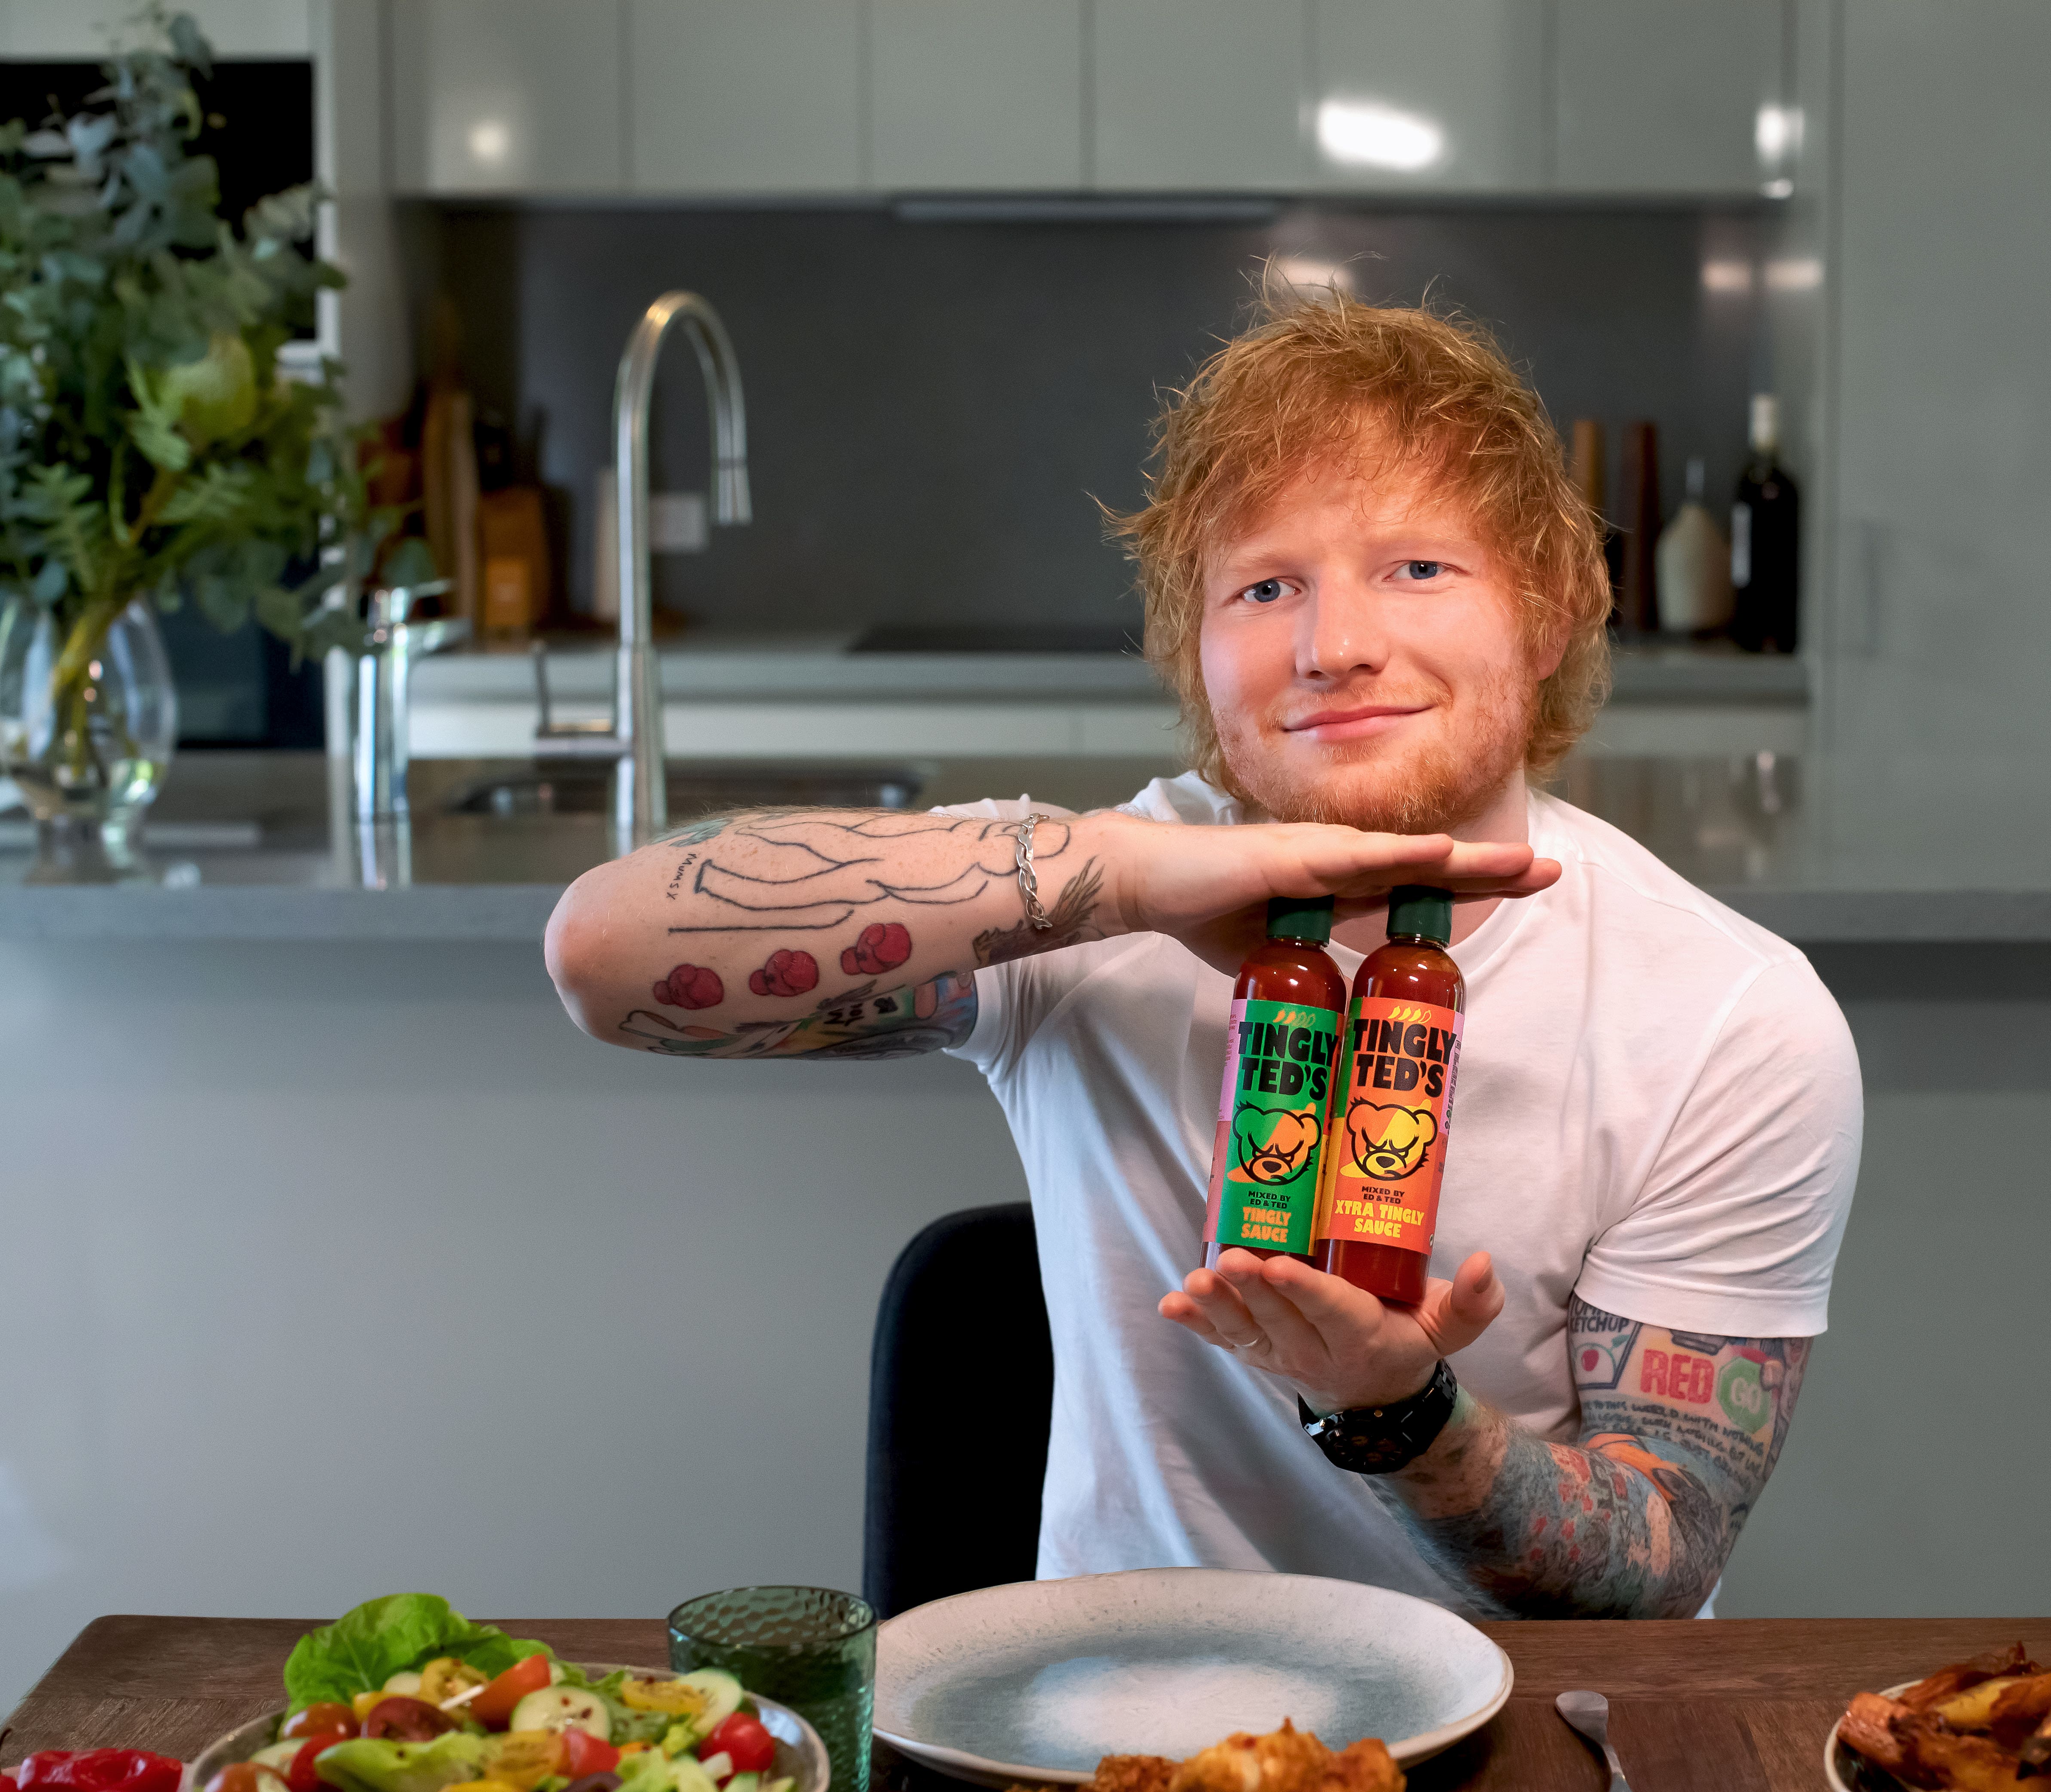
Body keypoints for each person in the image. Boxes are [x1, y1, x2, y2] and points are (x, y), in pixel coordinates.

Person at [545, 292, 1862, 1618]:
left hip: (1513, 1755)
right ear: (1197, 649)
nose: (1335, 645)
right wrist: (1125, 879)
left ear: (1554, 609)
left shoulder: (1727, 1017)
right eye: (1266, 586)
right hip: (1119, 1738)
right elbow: (603, 956)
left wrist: (1402, 1411)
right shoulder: (1079, 898)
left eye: (1418, 567)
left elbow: (1657, 1562)